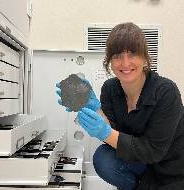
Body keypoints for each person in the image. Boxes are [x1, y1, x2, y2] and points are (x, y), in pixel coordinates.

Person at [56, 22, 184, 190]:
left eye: (133, 54)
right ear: (109, 60)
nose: (125, 63)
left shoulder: (166, 91)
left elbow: (153, 150)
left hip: (171, 170)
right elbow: (115, 139)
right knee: (104, 158)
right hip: (141, 165)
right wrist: (96, 110)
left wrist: (105, 132)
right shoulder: (110, 89)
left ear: (145, 58)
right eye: (117, 55)